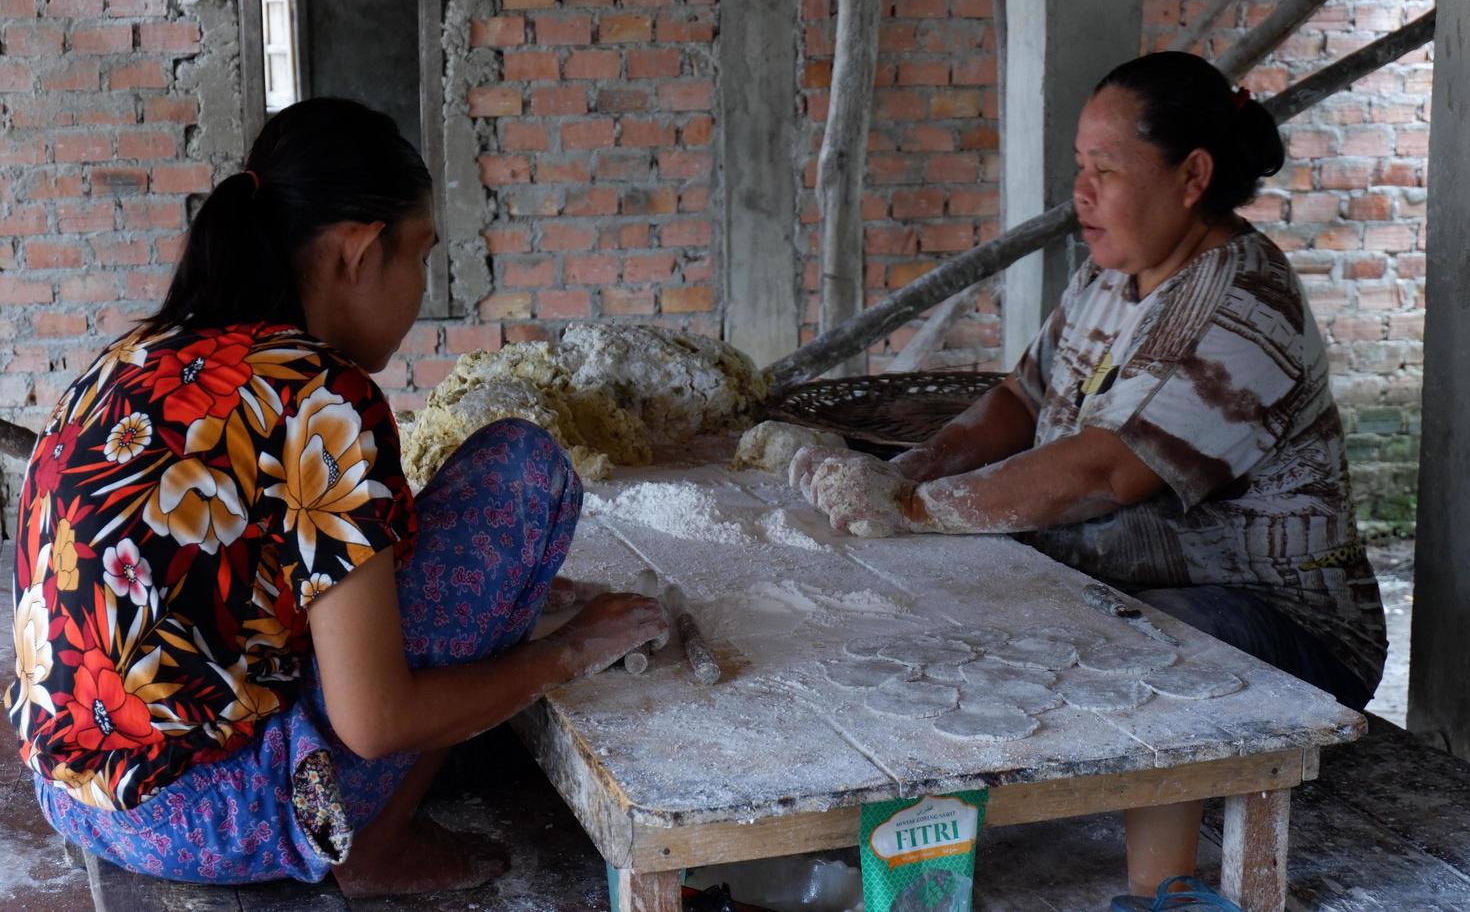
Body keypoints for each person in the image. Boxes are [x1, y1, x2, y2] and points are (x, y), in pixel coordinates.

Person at [4, 98, 668, 897]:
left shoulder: (136, 355)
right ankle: (376, 846)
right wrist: (568, 651)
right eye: (420, 253)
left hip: (74, 795)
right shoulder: (322, 396)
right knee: (523, 473)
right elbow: (375, 721)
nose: (422, 284)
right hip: (222, 820)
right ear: (358, 251)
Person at [791, 51, 1387, 900]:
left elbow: (1108, 473)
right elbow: (1017, 400)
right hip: (1125, 575)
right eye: (1081, 166)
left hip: (1283, 624)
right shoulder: (1112, 277)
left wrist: (916, 507)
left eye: (1106, 170)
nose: (1082, 192)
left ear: (1192, 177)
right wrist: (906, 473)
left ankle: (1162, 894)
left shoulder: (1248, 307)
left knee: (1139, 646)